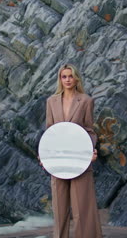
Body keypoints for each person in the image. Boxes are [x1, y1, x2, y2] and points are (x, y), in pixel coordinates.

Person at [43, 64, 103, 238]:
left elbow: (89, 131)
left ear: (76, 78)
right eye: (64, 76)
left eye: (70, 76)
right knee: (60, 209)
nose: (67, 80)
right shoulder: (51, 101)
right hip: (57, 160)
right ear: (60, 79)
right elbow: (49, 132)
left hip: (80, 160)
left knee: (82, 208)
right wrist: (45, 156)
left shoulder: (86, 100)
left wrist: (90, 152)